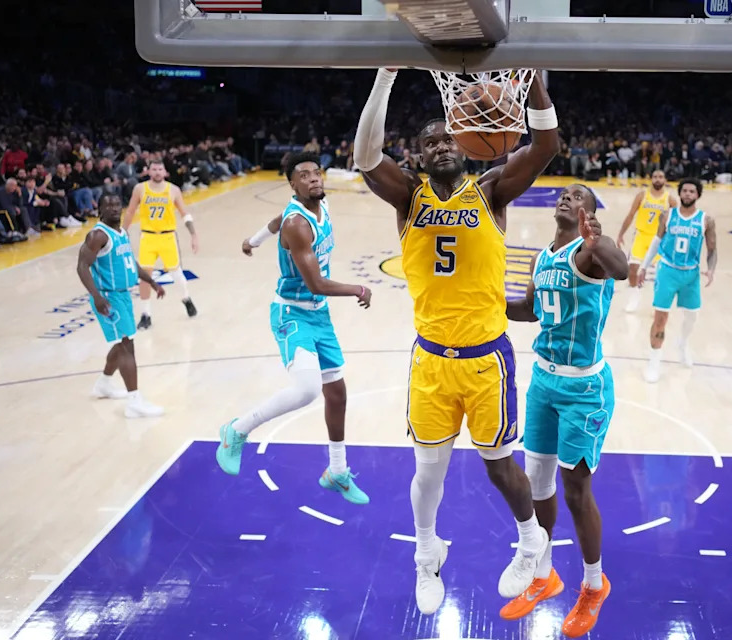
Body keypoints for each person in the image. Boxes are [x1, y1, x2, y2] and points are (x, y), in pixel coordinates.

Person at [352, 68, 561, 614]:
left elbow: (545, 145)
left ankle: (532, 539)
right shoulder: (407, 198)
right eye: (429, 144)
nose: (441, 145)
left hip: (486, 359)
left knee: (500, 465)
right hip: (431, 360)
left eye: (447, 137)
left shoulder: (491, 190)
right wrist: (385, 77)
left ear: (465, 140)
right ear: (418, 158)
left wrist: (534, 84)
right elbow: (365, 156)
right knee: (428, 471)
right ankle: (427, 555)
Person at [505, 184, 628, 637]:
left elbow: (621, 270)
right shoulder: (542, 257)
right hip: (543, 381)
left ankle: (594, 585)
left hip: (584, 388)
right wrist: (485, 304)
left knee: (576, 492)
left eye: (578, 196)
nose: (566, 197)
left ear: (589, 213)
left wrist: (600, 240)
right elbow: (530, 310)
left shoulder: (592, 253)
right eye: (564, 193)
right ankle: (544, 575)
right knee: (537, 485)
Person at [215, 153, 372, 505]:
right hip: (292, 313)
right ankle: (237, 430)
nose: (314, 178)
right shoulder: (298, 225)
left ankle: (337, 471)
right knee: (306, 390)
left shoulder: (320, 206)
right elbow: (315, 283)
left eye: (317, 172)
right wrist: (358, 289)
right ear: (292, 184)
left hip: (319, 315)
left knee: (337, 393)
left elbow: (274, 220)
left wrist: (252, 241)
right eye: (304, 175)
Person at [76, 194, 165, 418]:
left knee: (122, 343)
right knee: (127, 346)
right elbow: (82, 267)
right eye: (109, 205)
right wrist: (96, 296)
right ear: (100, 208)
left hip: (123, 295)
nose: (115, 208)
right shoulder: (97, 235)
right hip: (108, 297)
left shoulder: (122, 232)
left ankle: (104, 384)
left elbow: (130, 262)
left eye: (117, 204)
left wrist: (151, 281)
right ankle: (134, 402)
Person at [638, 178, 717, 383]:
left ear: (698, 195)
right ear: (680, 194)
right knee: (660, 318)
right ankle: (654, 362)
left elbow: (712, 249)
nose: (688, 194)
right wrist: (644, 266)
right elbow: (656, 242)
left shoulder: (706, 220)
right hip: (667, 271)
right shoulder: (668, 215)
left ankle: (682, 343)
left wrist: (711, 269)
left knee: (692, 315)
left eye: (692, 191)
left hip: (691, 274)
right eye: (685, 191)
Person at [122, 160, 200, 330]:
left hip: (168, 237)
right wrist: (121, 233)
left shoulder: (173, 190)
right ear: (149, 172)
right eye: (154, 169)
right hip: (148, 238)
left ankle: (186, 298)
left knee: (176, 273)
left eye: (160, 169)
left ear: (165, 172)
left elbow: (184, 214)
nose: (157, 172)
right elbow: (130, 211)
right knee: (144, 276)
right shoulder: (140, 189)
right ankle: (146, 314)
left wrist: (193, 234)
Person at [615, 169, 677, 312]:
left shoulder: (670, 200)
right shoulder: (642, 195)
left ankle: (659, 301)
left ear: (665, 180)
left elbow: (677, 221)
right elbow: (630, 215)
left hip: (660, 239)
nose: (657, 179)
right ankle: (634, 296)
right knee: (632, 269)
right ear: (651, 179)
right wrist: (621, 234)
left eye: (660, 177)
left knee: (661, 274)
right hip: (641, 236)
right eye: (655, 176)